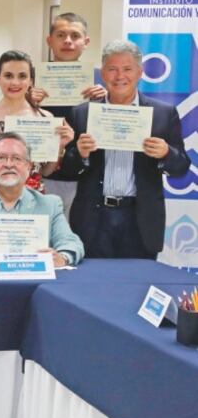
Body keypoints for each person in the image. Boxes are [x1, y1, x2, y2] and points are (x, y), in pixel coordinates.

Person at [62, 40, 190, 259]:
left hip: (140, 219)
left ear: (140, 72)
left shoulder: (163, 113)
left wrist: (166, 153)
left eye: (127, 69)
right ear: (102, 73)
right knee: (91, 286)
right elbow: (66, 169)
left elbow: (182, 167)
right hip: (93, 218)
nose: (119, 76)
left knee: (137, 286)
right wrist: (80, 154)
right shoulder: (82, 113)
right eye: (112, 69)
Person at [0, 132, 85, 267]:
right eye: (1, 158)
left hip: (33, 280)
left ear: (29, 167)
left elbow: (71, 243)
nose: (8, 164)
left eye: (17, 158)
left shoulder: (50, 205)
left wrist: (62, 258)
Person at [0, 50, 73, 191]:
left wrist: (60, 146)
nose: (15, 82)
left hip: (32, 197)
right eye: (8, 76)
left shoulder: (45, 118)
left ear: (31, 81)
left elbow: (46, 171)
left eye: (22, 76)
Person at [31, 12, 106, 212]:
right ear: (49, 40)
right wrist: (28, 102)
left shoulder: (101, 79)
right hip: (43, 171)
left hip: (88, 174)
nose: (68, 41)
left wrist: (106, 99)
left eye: (75, 36)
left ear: (86, 41)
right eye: (61, 35)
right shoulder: (31, 78)